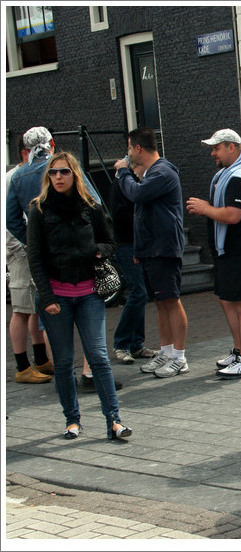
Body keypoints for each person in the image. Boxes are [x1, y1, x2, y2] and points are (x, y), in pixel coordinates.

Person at [26, 152, 133, 441]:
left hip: (89, 294)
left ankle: (114, 420)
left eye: (64, 172)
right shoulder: (39, 209)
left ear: (75, 174)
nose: (58, 177)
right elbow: (34, 256)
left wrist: (98, 251)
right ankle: (72, 420)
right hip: (55, 296)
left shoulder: (91, 207)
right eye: (53, 172)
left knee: (98, 357)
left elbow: (110, 242)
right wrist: (47, 298)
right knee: (62, 362)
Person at [186, 129, 241, 380]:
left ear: (232, 147)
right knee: (228, 300)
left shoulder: (239, 177)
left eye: (217, 148)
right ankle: (239, 352)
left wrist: (206, 208)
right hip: (231, 250)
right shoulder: (229, 174)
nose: (213, 153)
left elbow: (233, 215)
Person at [114, 127, 188, 378]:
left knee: (171, 300)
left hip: (164, 248)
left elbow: (137, 195)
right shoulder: (150, 173)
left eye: (128, 148)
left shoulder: (163, 172)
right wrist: (139, 248)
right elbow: (141, 212)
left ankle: (179, 356)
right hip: (150, 248)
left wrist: (123, 172)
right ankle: (165, 352)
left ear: (137, 148)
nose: (127, 155)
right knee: (160, 302)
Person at [6, 134, 53, 383]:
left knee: (35, 305)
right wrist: (28, 242)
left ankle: (41, 359)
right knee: (22, 308)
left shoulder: (20, 176)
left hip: (25, 248)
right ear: (25, 153)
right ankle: (22, 366)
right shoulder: (14, 177)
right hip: (18, 250)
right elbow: (10, 218)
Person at [110, 158, 155, 365]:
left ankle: (136, 344)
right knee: (138, 292)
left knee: (141, 292)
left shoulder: (131, 182)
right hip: (128, 244)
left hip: (135, 243)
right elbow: (123, 217)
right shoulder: (123, 184)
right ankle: (121, 343)